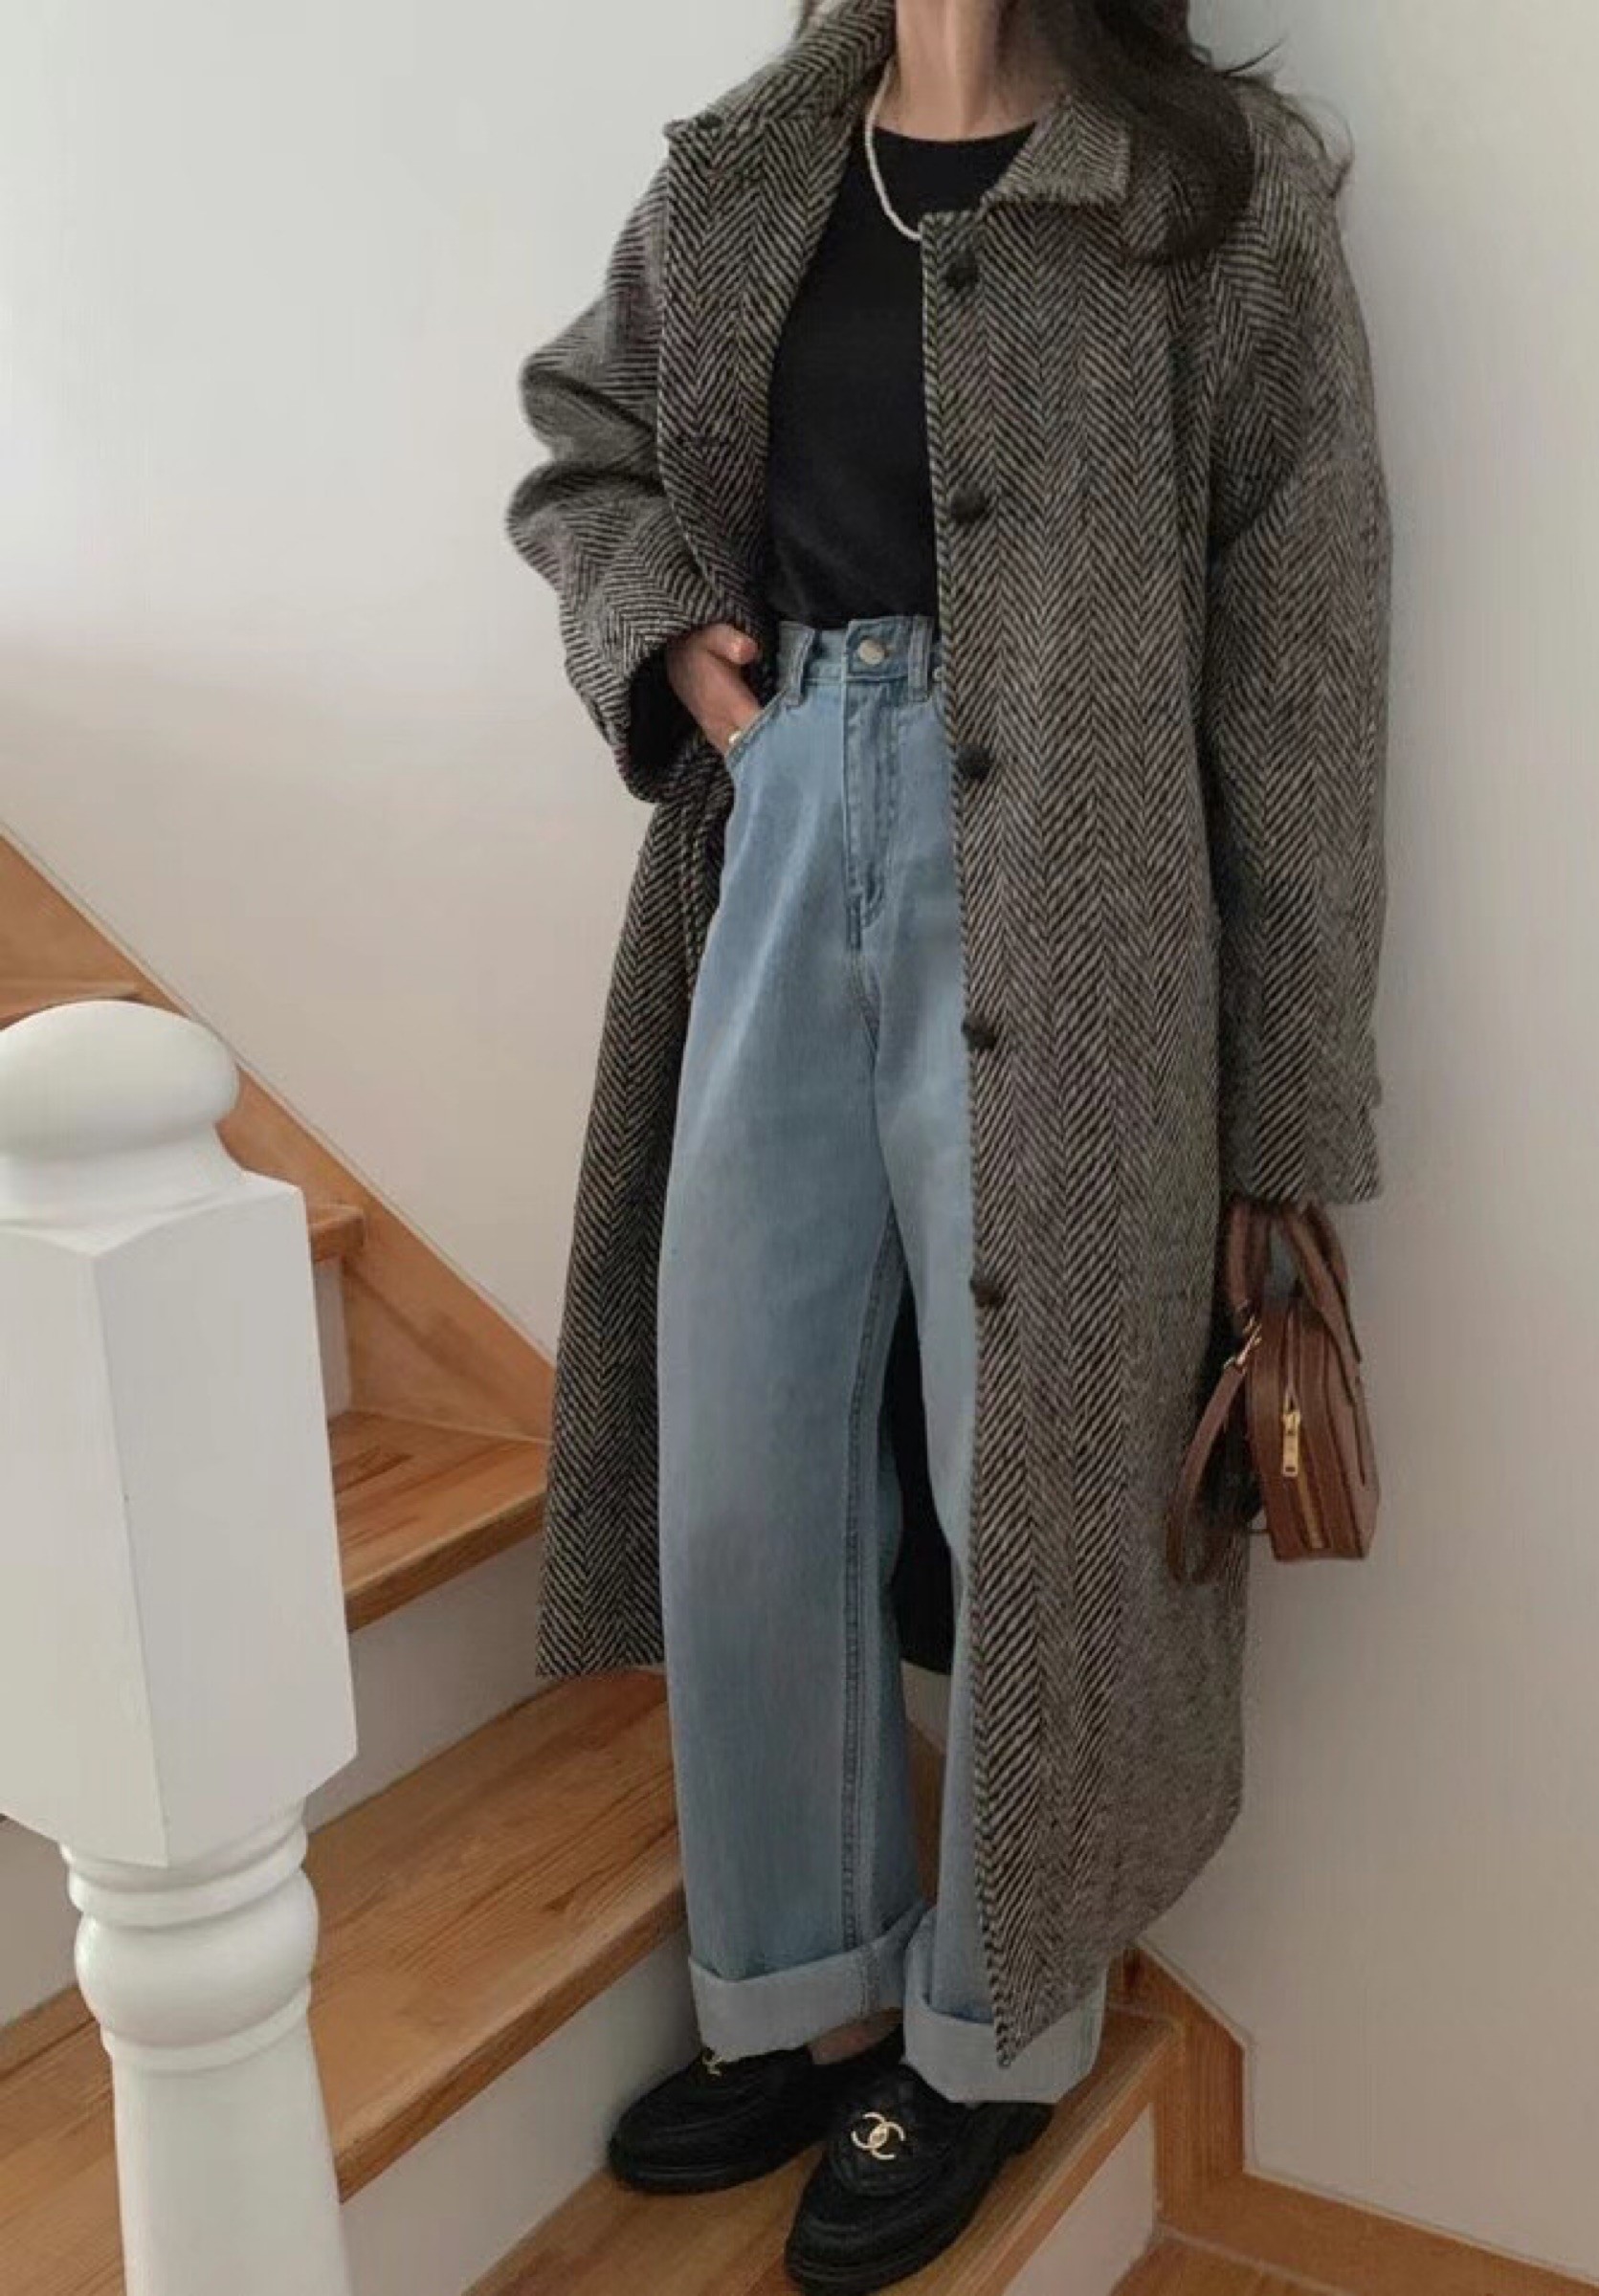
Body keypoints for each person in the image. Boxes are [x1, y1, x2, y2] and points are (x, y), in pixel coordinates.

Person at [506, 0, 1391, 2286]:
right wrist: (671, 643)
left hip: (1090, 903)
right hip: (788, 812)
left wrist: (1288, 1102)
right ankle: (798, 1988)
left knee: (1042, 1473)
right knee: (745, 1448)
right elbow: (584, 438)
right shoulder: (744, 174)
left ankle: (996, 2031)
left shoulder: (1208, 197)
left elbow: (1303, 668)